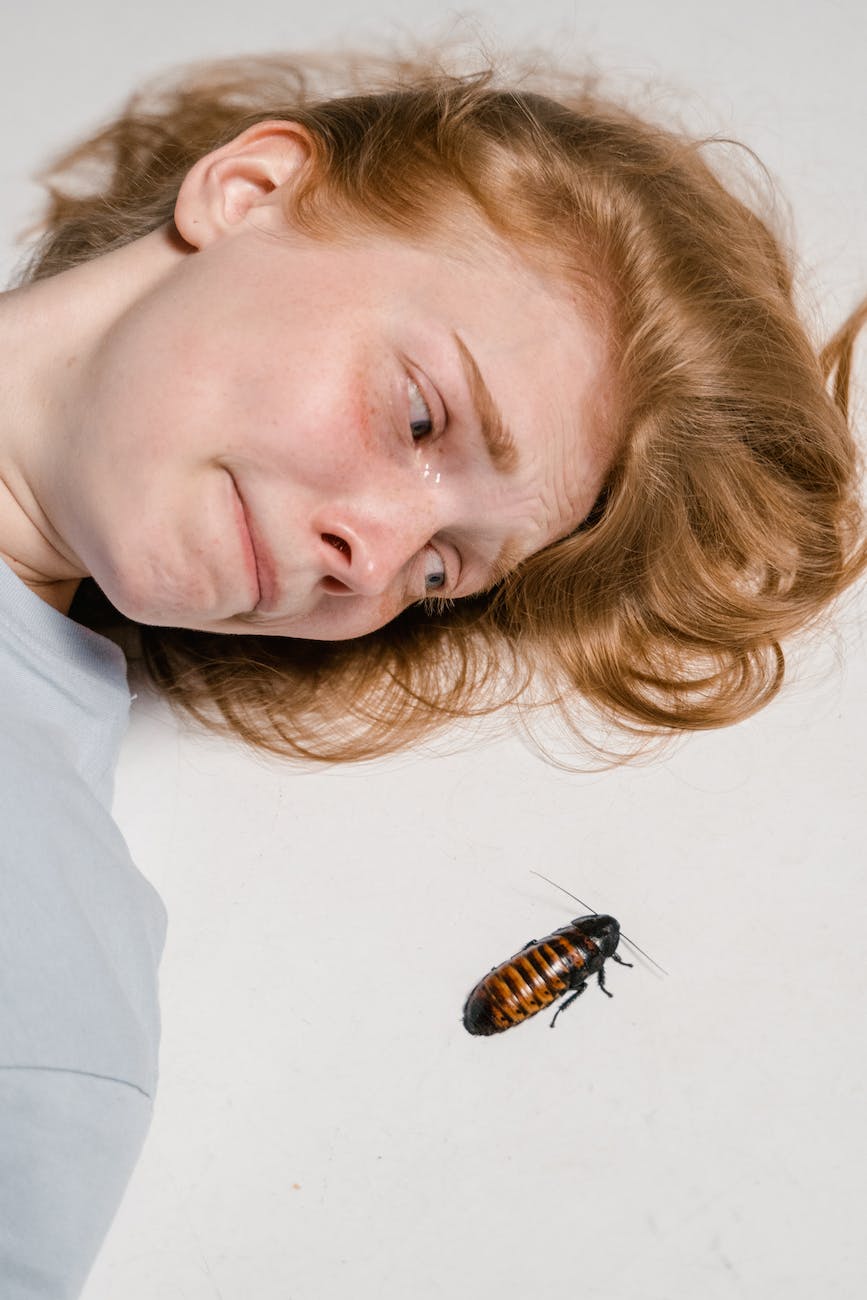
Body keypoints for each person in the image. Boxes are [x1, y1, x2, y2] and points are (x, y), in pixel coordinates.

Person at [0, 47, 864, 1297]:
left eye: (446, 571)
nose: (380, 555)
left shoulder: (43, 993)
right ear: (251, 190)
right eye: (421, 418)